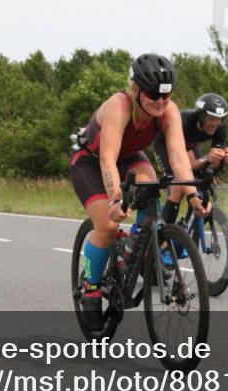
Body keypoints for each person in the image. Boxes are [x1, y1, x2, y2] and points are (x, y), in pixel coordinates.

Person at [69, 54, 210, 330]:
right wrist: (115, 198)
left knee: (151, 190)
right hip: (91, 161)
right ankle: (92, 288)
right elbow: (107, 159)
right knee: (108, 225)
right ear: (135, 89)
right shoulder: (118, 106)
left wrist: (193, 197)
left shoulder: (168, 112)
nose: (160, 102)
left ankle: (132, 247)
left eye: (166, 96)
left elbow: (180, 159)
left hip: (130, 157)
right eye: (153, 95)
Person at [153, 93, 228, 225]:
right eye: (211, 118)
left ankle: (188, 228)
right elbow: (185, 167)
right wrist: (207, 158)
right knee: (178, 183)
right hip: (165, 143)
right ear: (201, 116)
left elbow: (210, 167)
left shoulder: (220, 128)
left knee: (200, 176)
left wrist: (223, 161)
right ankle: (165, 234)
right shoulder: (184, 122)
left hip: (190, 143)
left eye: (219, 119)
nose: (215, 123)